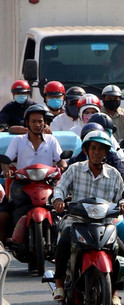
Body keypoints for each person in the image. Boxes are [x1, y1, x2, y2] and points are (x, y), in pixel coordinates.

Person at [51, 130, 124, 305]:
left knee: (121, 251)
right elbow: (60, 188)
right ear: (87, 150)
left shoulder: (113, 174)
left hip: (105, 224)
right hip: (77, 222)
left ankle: (114, 292)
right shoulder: (75, 169)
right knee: (64, 241)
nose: (97, 152)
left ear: (106, 152)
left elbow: (122, 195)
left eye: (101, 149)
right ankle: (58, 284)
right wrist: (58, 199)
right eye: (93, 148)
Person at [0, 104, 66, 243]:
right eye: (34, 121)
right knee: (3, 215)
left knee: (64, 210)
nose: (37, 124)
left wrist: (63, 167)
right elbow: (6, 159)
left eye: (40, 121)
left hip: (47, 184)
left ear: (45, 123)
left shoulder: (52, 140)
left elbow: (61, 160)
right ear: (27, 123)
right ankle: (3, 246)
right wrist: (6, 169)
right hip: (22, 184)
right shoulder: (18, 140)